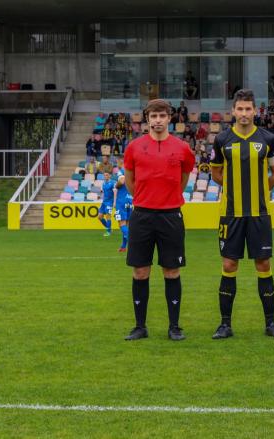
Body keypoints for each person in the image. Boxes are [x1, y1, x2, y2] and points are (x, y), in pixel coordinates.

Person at [210, 89, 274, 339]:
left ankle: (271, 323)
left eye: (248, 109)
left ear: (255, 111)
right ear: (233, 111)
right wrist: (233, 190)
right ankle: (224, 324)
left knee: (263, 263)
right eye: (240, 109)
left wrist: (261, 192)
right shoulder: (221, 140)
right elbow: (216, 173)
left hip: (259, 214)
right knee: (229, 264)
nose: (244, 113)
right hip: (230, 214)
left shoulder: (268, 138)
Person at [123, 99, 196, 341]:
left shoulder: (182, 148)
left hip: (170, 215)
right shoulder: (134, 147)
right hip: (142, 215)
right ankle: (139, 326)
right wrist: (145, 199)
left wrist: (169, 198)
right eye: (153, 116)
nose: (157, 120)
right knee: (141, 271)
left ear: (169, 118)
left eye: (162, 116)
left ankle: (174, 326)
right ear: (147, 119)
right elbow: (130, 181)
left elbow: (184, 177)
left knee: (171, 270)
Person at [114, 171, 133, 252]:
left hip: (121, 202)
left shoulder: (121, 173)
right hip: (129, 202)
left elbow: (122, 179)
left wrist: (116, 185)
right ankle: (123, 246)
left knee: (121, 224)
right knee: (126, 226)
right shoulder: (132, 177)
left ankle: (133, 243)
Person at [98, 171, 115, 237]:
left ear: (110, 176)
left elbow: (115, 192)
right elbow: (104, 192)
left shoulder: (112, 183)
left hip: (110, 202)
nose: (105, 176)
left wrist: (114, 202)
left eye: (107, 175)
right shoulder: (104, 183)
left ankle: (108, 232)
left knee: (108, 216)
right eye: (104, 175)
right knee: (99, 217)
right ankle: (109, 228)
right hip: (104, 202)